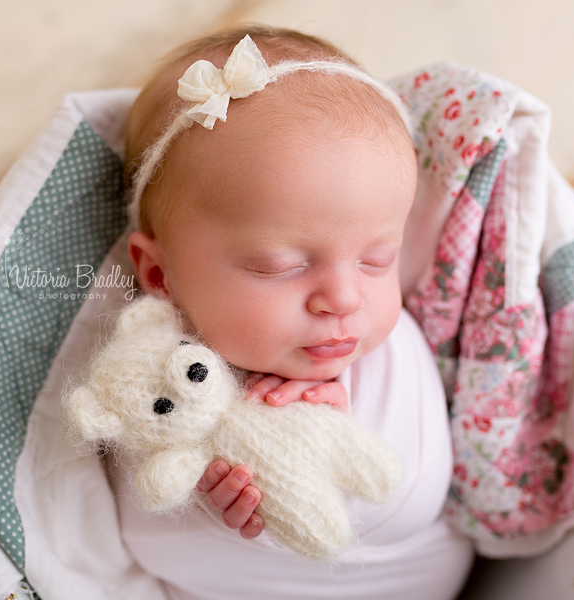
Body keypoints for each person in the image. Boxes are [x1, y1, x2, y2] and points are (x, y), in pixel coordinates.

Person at [117, 24, 474, 599]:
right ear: (161, 276)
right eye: (277, 266)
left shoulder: (384, 348)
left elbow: (411, 494)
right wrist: (221, 506)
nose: (344, 298)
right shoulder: (152, 371)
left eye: (377, 259)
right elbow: (143, 531)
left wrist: (337, 423)